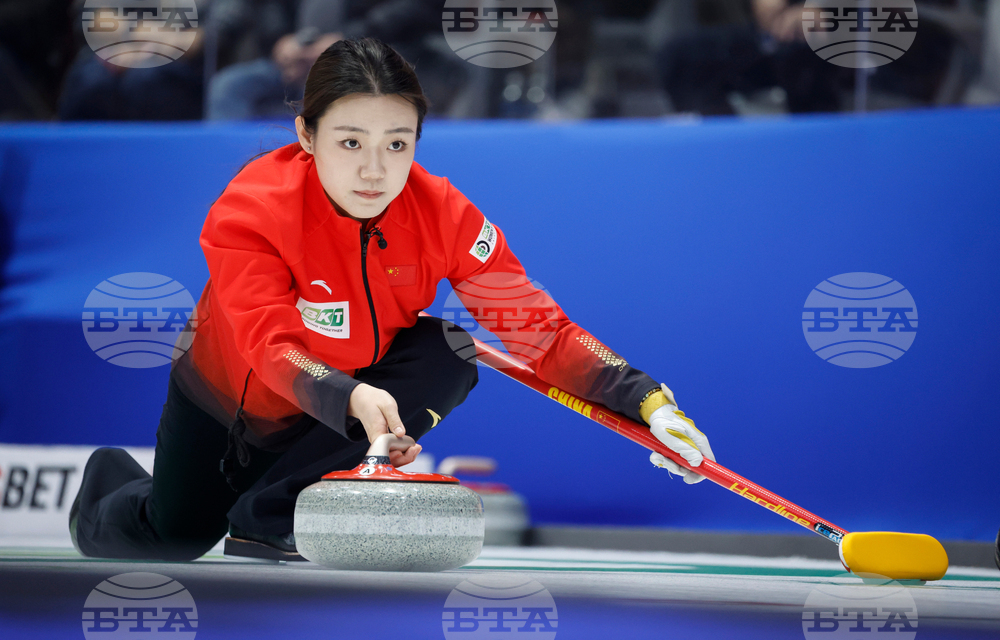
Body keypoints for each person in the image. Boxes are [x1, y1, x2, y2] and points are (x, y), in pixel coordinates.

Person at [69, 37, 716, 562]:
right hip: (229, 408)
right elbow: (268, 348)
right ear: (306, 135)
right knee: (172, 537)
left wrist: (648, 404)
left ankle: (273, 517)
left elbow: (537, 330)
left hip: (342, 406)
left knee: (452, 350)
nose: (376, 170)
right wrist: (348, 394)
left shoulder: (444, 213)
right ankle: (107, 485)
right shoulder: (250, 209)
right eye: (351, 142)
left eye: (397, 144)